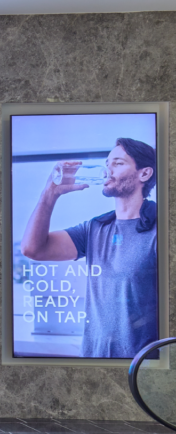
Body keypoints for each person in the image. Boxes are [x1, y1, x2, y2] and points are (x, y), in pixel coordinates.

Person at [20, 138, 157, 358]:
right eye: (107, 163)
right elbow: (33, 249)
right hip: (94, 360)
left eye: (118, 163)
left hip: (142, 365)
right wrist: (50, 193)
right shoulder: (94, 228)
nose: (108, 170)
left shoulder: (160, 229)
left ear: (144, 173)